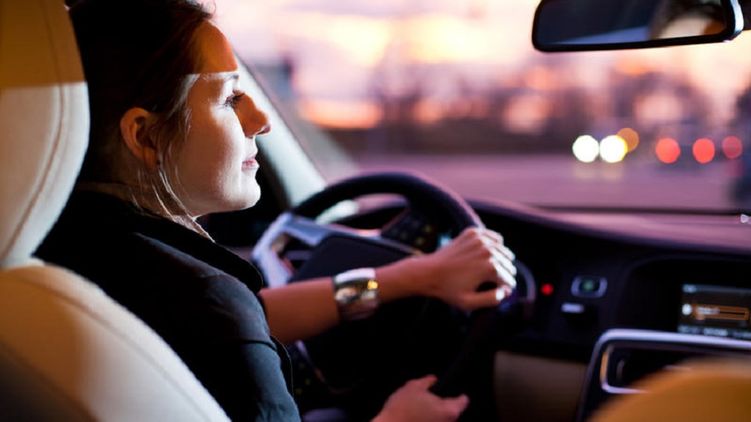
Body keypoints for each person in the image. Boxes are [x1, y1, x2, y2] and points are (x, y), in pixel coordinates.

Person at [37, 0, 517, 420]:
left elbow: (254, 316)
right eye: (230, 98)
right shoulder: (205, 306)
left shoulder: (64, 245)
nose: (262, 120)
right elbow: (228, 321)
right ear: (145, 136)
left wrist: (412, 277)